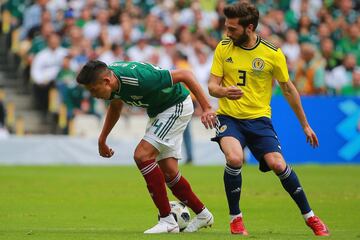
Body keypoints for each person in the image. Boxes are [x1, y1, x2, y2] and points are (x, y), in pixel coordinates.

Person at [208, 2, 329, 236]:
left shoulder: (272, 54)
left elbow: (289, 89)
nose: (227, 33)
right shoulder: (223, 47)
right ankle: (236, 219)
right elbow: (212, 86)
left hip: (259, 120)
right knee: (234, 158)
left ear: (249, 28)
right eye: (227, 27)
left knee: (278, 164)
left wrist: (305, 125)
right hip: (229, 117)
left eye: (232, 29)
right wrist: (223, 91)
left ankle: (310, 217)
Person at [76, 60, 216, 234]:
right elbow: (116, 106)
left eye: (94, 90)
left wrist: (207, 108)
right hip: (159, 112)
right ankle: (203, 214)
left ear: (106, 81)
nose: (93, 95)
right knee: (169, 172)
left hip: (175, 105)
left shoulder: (139, 78)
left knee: (142, 155)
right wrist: (102, 139)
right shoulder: (113, 83)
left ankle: (167, 220)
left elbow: (185, 75)